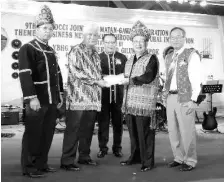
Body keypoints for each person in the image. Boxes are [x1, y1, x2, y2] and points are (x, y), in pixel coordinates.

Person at [18, 5, 64, 178]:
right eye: (45, 28)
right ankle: (29, 167)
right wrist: (31, 98)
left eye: (51, 28)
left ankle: (41, 164)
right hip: (37, 100)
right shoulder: (27, 48)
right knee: (33, 134)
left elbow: (58, 75)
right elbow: (25, 75)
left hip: (51, 101)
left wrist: (59, 96)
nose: (48, 31)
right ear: (36, 29)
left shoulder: (51, 50)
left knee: (47, 134)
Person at [60, 23, 107, 171]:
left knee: (88, 129)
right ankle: (67, 161)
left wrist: (108, 79)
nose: (92, 37)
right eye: (89, 35)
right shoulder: (76, 50)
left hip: (93, 99)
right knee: (73, 130)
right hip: (78, 98)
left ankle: (84, 156)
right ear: (84, 36)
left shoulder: (96, 53)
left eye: (95, 35)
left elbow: (97, 74)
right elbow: (76, 72)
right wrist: (96, 81)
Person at [119, 21, 159, 172]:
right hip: (129, 103)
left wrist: (130, 81)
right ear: (132, 43)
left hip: (144, 104)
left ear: (146, 43)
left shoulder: (152, 58)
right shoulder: (129, 60)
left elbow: (148, 76)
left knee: (145, 134)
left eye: (141, 41)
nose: (138, 44)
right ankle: (135, 157)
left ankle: (148, 162)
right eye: (135, 41)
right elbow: (123, 78)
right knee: (133, 133)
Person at [163, 27, 201, 171]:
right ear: (169, 39)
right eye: (173, 37)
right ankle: (178, 157)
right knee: (173, 130)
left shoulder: (191, 54)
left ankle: (190, 160)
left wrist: (194, 99)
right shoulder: (169, 56)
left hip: (185, 97)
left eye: (179, 36)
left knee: (187, 131)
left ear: (184, 38)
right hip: (170, 97)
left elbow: (196, 78)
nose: (176, 39)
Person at [97, 33, 127, 158]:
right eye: (107, 42)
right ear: (103, 43)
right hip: (103, 97)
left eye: (112, 42)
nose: (110, 44)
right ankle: (103, 148)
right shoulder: (97, 57)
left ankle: (117, 148)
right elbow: (94, 76)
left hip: (118, 97)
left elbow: (126, 75)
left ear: (116, 43)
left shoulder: (122, 57)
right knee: (103, 123)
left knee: (118, 124)